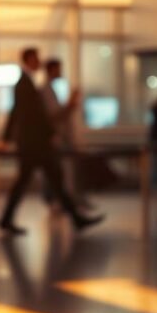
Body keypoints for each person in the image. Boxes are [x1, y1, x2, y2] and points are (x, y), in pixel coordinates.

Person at [0, 48, 104, 235]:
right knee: (46, 180)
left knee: (48, 180)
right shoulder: (25, 83)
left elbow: (19, 113)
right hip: (34, 144)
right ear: (29, 59)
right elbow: (29, 115)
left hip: (34, 143)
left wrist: (7, 137)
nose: (39, 61)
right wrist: (48, 134)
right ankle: (76, 219)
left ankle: (7, 219)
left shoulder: (27, 83)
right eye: (36, 58)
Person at [40, 59, 93, 211]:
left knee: (58, 173)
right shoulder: (46, 90)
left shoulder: (50, 89)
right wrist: (70, 104)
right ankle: (63, 202)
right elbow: (53, 115)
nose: (60, 72)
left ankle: (68, 203)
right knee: (58, 173)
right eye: (58, 69)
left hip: (59, 137)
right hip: (56, 138)